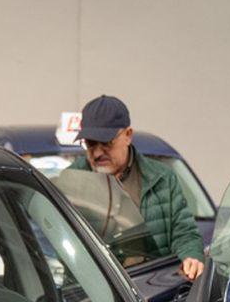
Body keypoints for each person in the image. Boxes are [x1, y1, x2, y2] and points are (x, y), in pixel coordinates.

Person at [72, 94, 205, 280]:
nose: (98, 152)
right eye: (90, 144)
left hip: (151, 288)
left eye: (107, 143)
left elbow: (184, 232)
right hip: (92, 292)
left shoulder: (161, 179)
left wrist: (191, 257)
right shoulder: (72, 182)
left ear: (127, 135)